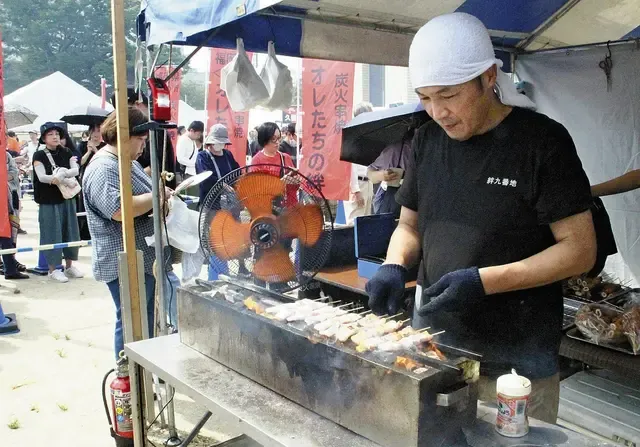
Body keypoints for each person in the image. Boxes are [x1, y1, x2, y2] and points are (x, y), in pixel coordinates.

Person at [365, 12, 596, 425]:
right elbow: (408, 226)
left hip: (516, 365)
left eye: (449, 95)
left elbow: (580, 251)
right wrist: (393, 265)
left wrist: (482, 282)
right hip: (434, 349)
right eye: (425, 97)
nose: (438, 111)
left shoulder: (542, 142)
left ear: (489, 77)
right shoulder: (425, 141)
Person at [82, 107, 179, 357]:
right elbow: (118, 209)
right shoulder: (104, 168)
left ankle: (144, 373)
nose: (144, 147)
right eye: (141, 140)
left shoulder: (127, 163)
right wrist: (156, 196)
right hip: (124, 259)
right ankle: (127, 379)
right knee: (131, 323)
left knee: (145, 320)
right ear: (124, 136)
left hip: (143, 258)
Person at [32, 122, 84, 283]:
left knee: (70, 230)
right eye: (50, 134)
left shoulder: (66, 151)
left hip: (67, 198)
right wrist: (61, 177)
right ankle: (53, 269)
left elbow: (76, 169)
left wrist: (61, 175)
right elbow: (41, 177)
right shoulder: (39, 155)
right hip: (48, 201)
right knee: (51, 233)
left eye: (56, 134)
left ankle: (69, 266)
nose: (55, 137)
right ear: (43, 138)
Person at [196, 124, 241, 280]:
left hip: (229, 206)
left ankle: (231, 272)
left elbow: (237, 172)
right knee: (215, 241)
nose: (219, 145)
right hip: (212, 206)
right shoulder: (203, 157)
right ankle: (216, 276)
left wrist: (234, 186)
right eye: (217, 142)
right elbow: (205, 177)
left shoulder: (228, 155)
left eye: (222, 142)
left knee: (229, 239)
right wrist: (222, 185)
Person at [110, 87, 177, 189]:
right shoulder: (147, 127)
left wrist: (126, 180)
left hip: (156, 194)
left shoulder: (154, 129)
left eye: (127, 111)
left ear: (138, 104)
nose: (126, 118)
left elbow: (155, 168)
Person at [367, 117, 416, 217]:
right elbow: (370, 173)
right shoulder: (396, 150)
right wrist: (382, 175)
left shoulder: (437, 151)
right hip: (395, 201)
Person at [344, 103, 374, 224]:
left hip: (368, 183)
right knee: (354, 223)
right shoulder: (351, 136)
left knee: (366, 223)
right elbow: (350, 166)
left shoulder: (367, 136)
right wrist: (356, 190)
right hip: (357, 185)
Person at [1, 153, 29, 280]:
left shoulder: (5, 155)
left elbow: (14, 172)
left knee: (8, 236)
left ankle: (10, 267)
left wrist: (5, 176)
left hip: (7, 202)